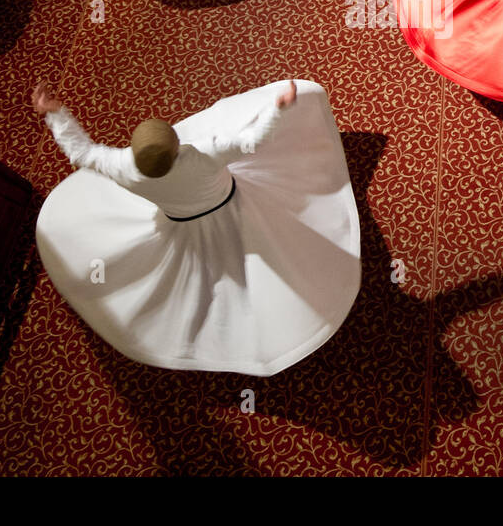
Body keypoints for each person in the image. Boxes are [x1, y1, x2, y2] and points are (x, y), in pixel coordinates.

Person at [30, 78, 361, 374]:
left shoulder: (122, 167)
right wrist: (279, 108)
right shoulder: (204, 153)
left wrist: (54, 113)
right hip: (233, 204)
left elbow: (81, 152)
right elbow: (254, 141)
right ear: (176, 148)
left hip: (181, 224)